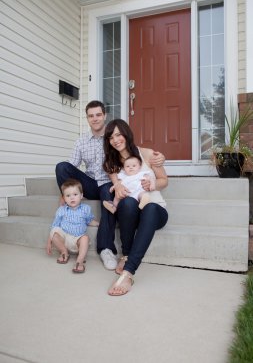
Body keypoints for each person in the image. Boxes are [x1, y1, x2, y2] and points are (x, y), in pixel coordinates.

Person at [55, 100, 165, 270]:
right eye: (91, 116)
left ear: (105, 116)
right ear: (87, 118)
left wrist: (155, 174)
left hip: (116, 188)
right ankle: (125, 255)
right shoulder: (92, 148)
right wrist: (66, 192)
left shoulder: (130, 149)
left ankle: (106, 249)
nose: (95, 119)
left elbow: (160, 176)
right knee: (62, 167)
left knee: (109, 192)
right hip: (92, 184)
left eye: (98, 115)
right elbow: (75, 167)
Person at [103, 119, 169, 296]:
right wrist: (116, 184)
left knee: (151, 207)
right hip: (131, 212)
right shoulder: (111, 162)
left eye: (118, 134)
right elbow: (116, 184)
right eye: (110, 137)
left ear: (126, 133)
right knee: (128, 202)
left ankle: (128, 272)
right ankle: (126, 254)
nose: (115, 140)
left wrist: (152, 184)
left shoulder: (147, 153)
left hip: (155, 211)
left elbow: (164, 180)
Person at [46, 179, 99, 273]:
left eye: (75, 194)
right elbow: (54, 226)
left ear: (81, 195)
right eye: (68, 195)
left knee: (85, 238)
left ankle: (80, 261)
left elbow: (89, 221)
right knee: (54, 232)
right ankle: (64, 252)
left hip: (77, 240)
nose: (72, 198)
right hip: (65, 238)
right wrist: (49, 242)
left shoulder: (86, 209)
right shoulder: (61, 210)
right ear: (64, 198)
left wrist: (99, 224)